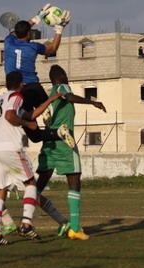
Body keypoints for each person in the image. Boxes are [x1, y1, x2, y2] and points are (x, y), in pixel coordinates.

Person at [0, 71, 64, 245]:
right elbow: (11, 116)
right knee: (30, 184)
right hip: (10, 148)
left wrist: (50, 100)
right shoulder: (16, 96)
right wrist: (28, 125)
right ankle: (26, 223)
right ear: (21, 84)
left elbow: (29, 115)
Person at [36, 65, 106, 240]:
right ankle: (74, 228)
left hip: (49, 144)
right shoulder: (62, 87)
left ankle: (27, 221)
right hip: (65, 142)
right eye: (65, 74)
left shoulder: (50, 95)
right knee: (74, 182)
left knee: (36, 189)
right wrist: (92, 102)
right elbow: (69, 96)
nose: (67, 76)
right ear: (60, 76)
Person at [4, 4, 71, 143]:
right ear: (29, 33)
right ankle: (51, 117)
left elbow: (19, 30)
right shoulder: (33, 47)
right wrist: (59, 29)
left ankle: (48, 119)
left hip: (16, 94)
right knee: (47, 104)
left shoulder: (8, 42)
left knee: (34, 136)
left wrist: (37, 17)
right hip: (33, 88)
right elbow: (52, 49)